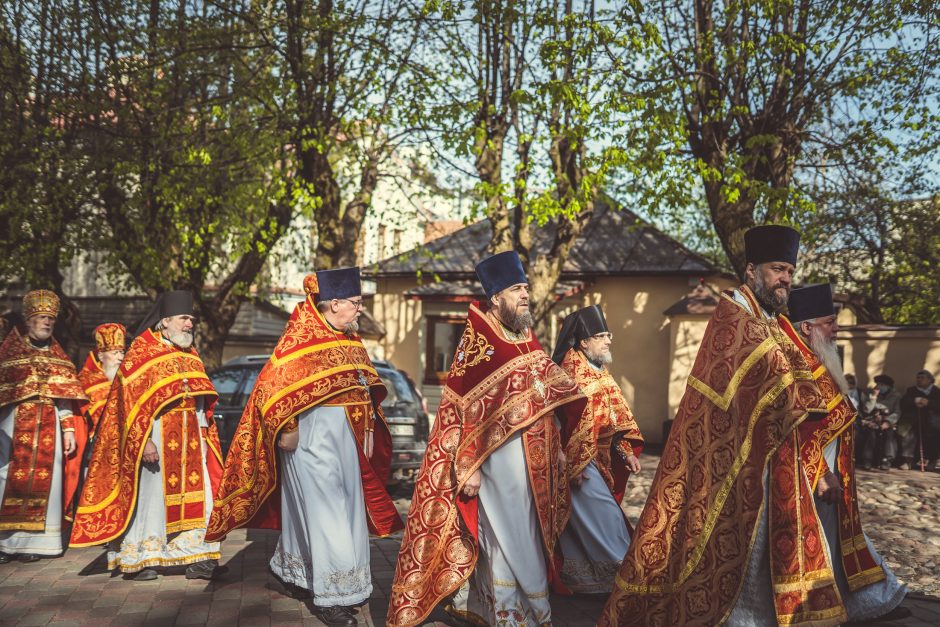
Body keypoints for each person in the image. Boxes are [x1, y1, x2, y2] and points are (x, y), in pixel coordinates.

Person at [600, 225, 848, 626]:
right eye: (777, 268)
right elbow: (775, 374)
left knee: (761, 551)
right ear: (751, 270)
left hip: (762, 456)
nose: (785, 278)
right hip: (727, 457)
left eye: (789, 270)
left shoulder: (769, 319)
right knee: (730, 550)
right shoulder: (734, 313)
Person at [388, 251, 586, 627]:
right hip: (499, 460)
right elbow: (460, 413)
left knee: (528, 529)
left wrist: (559, 447)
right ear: (496, 297)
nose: (525, 294)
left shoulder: (526, 337)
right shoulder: (477, 344)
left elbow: (550, 395)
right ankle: (510, 612)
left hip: (537, 459)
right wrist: (470, 466)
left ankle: (519, 608)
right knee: (503, 534)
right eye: (516, 289)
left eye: (526, 287)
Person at [206, 269, 402, 627]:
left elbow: (363, 388)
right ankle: (332, 597)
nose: (360, 310)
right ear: (335, 303)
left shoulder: (351, 341)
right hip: (311, 438)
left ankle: (292, 572)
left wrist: (370, 425)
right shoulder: (301, 339)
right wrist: (289, 428)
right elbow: (275, 389)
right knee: (328, 515)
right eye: (356, 303)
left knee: (329, 512)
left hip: (348, 439)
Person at [70, 291, 225, 581]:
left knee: (201, 498)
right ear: (165, 321)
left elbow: (201, 398)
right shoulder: (143, 352)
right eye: (184, 319)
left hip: (191, 441)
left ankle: (200, 558)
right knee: (151, 502)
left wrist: (204, 433)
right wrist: (145, 441)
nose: (190, 324)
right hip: (154, 440)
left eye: (191, 319)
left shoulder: (189, 354)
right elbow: (126, 406)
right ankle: (140, 559)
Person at [779, 283, 906, 621]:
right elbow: (794, 428)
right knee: (816, 543)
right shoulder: (795, 366)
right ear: (807, 327)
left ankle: (866, 599)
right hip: (810, 477)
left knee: (839, 539)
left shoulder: (820, 359)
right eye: (829, 322)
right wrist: (821, 470)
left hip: (834, 476)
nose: (836, 329)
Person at [550, 305, 644, 594]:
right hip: (578, 462)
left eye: (608, 335)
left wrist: (625, 450)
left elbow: (616, 417)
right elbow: (564, 422)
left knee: (583, 525)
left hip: (598, 459)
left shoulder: (599, 369)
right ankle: (626, 582)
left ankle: (590, 581)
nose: (608, 341)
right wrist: (575, 464)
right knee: (608, 520)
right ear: (584, 342)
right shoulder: (570, 369)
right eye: (602, 336)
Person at [0, 290, 87, 563]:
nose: (46, 323)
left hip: (50, 426)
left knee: (49, 482)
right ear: (28, 320)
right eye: (40, 318)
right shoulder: (9, 353)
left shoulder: (58, 357)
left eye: (50, 318)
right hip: (12, 425)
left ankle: (36, 544)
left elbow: (65, 398)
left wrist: (70, 429)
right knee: (6, 480)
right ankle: (5, 544)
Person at [77, 323, 126, 432]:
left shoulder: (127, 379)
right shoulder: (86, 382)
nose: (121, 358)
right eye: (115, 353)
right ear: (101, 356)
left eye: (122, 352)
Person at [899, 370, 940, 471]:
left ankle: (932, 460)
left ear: (930, 380)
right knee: (908, 434)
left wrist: (929, 403)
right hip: (914, 418)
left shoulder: (936, 391)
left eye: (922, 378)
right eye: (918, 378)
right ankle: (909, 461)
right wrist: (914, 401)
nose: (919, 380)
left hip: (932, 420)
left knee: (934, 434)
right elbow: (903, 404)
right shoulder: (911, 390)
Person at [860, 375, 903, 470]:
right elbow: (867, 410)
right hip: (873, 420)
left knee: (889, 434)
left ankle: (887, 460)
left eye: (882, 385)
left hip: (889, 421)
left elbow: (897, 412)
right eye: (878, 384)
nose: (879, 386)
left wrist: (888, 422)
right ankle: (867, 460)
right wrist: (873, 397)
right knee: (871, 433)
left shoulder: (896, 396)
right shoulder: (872, 394)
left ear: (888, 386)